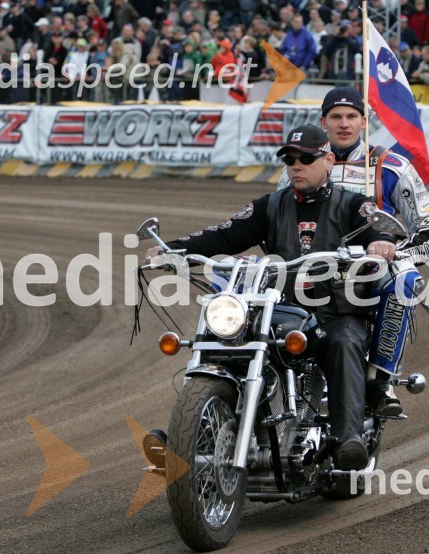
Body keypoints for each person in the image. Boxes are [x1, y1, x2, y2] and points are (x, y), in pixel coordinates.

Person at [146, 125, 393, 470]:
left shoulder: (354, 204)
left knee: (345, 342)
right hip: (281, 312)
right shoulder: (270, 206)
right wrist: (171, 250)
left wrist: (381, 242)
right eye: (290, 159)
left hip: (335, 313)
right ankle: (190, 432)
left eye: (306, 159)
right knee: (227, 335)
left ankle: (347, 438)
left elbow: (378, 229)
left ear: (329, 160)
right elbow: (224, 234)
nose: (296, 166)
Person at [277, 87, 429, 418]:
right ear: (323, 121)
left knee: (405, 281)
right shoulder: (300, 164)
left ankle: (380, 378)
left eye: (352, 116)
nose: (344, 124)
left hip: (368, 270)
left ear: (364, 121)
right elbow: (276, 217)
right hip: (312, 268)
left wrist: (396, 253)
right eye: (336, 117)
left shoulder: (390, 165)